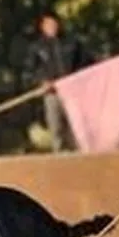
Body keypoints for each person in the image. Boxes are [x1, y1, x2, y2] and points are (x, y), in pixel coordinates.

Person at [25, 10, 90, 152]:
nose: (52, 26)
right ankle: (59, 157)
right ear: (42, 26)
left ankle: (81, 155)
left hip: (73, 91)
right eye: (48, 24)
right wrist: (41, 82)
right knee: (56, 127)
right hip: (52, 93)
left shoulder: (72, 43)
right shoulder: (37, 47)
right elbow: (30, 72)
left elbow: (85, 63)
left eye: (54, 23)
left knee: (77, 125)